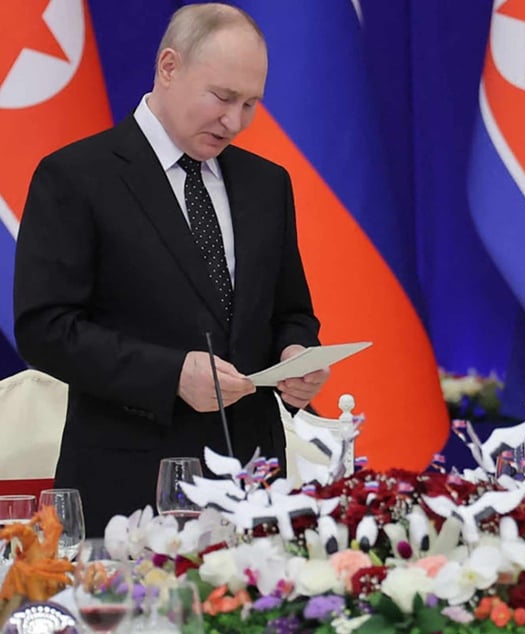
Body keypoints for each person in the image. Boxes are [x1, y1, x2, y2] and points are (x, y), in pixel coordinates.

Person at [13, 3, 328, 536]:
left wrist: (295, 354)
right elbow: (45, 330)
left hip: (255, 486)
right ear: (169, 67)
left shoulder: (266, 183)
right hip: (127, 490)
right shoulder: (75, 176)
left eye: (251, 104)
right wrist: (171, 375)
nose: (235, 121)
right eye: (223, 98)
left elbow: (291, 311)